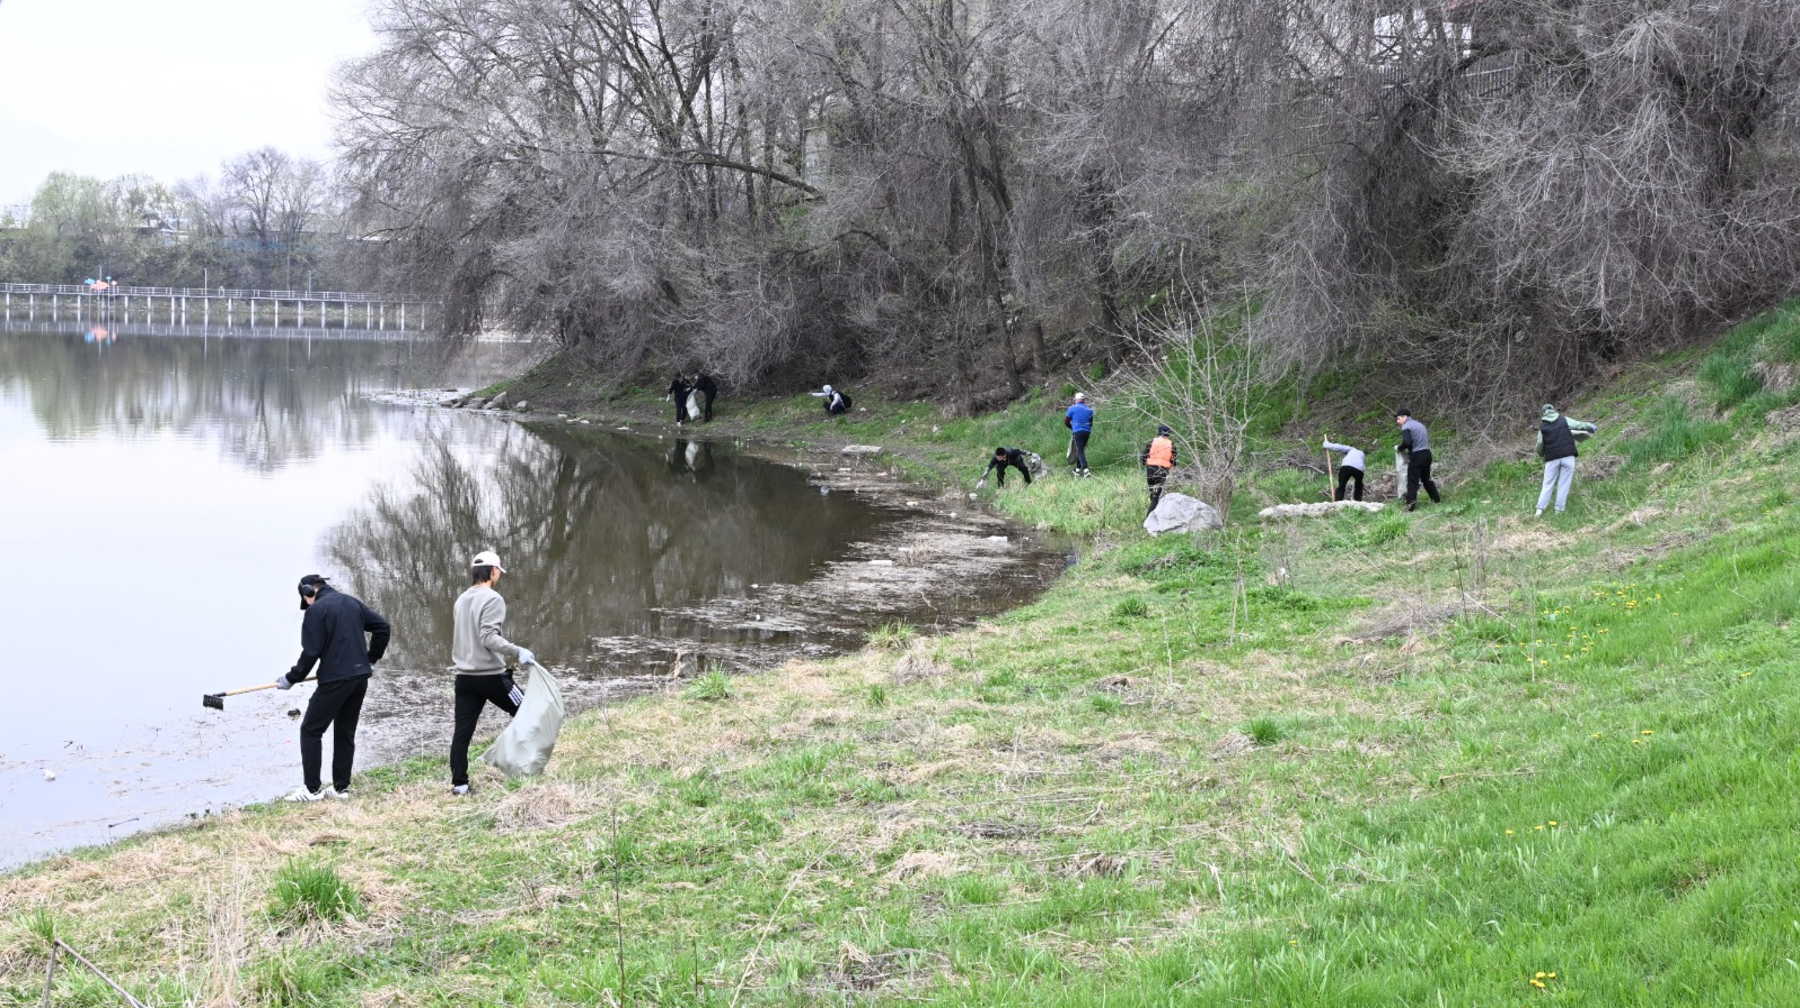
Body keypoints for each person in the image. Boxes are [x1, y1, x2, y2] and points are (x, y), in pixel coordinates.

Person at [274, 575, 391, 801]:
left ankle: (311, 790)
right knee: (345, 732)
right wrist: (370, 659)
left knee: (311, 730)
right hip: (359, 678)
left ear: (309, 592)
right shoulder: (351, 602)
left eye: (305, 599)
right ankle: (340, 789)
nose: (306, 604)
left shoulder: (315, 611)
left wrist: (291, 678)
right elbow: (382, 627)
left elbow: (311, 652)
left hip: (335, 680)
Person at [449, 549, 537, 796]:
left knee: (462, 733)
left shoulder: (461, 599)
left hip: (464, 678)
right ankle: (524, 765)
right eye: (498, 572)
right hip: (492, 677)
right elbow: (489, 638)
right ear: (493, 571)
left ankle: (460, 786)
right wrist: (518, 650)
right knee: (526, 712)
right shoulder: (493, 599)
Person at [1534, 404, 1598, 517]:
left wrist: (1541, 454)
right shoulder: (1564, 419)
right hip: (1568, 456)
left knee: (1547, 484)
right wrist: (1590, 426)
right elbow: (1578, 425)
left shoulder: (1543, 427)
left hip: (1552, 459)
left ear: (1543, 414)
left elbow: (1539, 445)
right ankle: (1558, 511)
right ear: (1554, 410)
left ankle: (1539, 511)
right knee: (1564, 484)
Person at [1395, 409, 1440, 511]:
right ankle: (1436, 500)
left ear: (1404, 417)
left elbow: (1407, 442)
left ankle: (1410, 507)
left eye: (1398, 419)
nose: (1397, 421)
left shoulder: (1406, 426)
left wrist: (1399, 448)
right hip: (1427, 454)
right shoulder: (1420, 425)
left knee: (1412, 481)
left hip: (1417, 456)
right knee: (1426, 479)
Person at [1140, 424, 1177, 514]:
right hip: (1162, 472)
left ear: (1159, 432)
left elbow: (1143, 458)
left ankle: (1152, 515)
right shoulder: (1171, 445)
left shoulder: (1151, 442)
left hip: (1150, 471)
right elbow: (1174, 462)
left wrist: (1145, 463)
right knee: (1157, 496)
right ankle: (1149, 519)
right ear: (1168, 434)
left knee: (1152, 494)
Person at [1065, 392, 1094, 477]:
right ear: (1084, 400)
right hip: (1087, 432)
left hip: (1078, 431)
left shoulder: (1072, 408)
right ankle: (1077, 470)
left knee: (1080, 451)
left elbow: (1066, 421)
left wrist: (1072, 428)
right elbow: (1091, 423)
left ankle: (1086, 470)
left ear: (1076, 400)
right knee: (1080, 450)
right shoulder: (1089, 410)